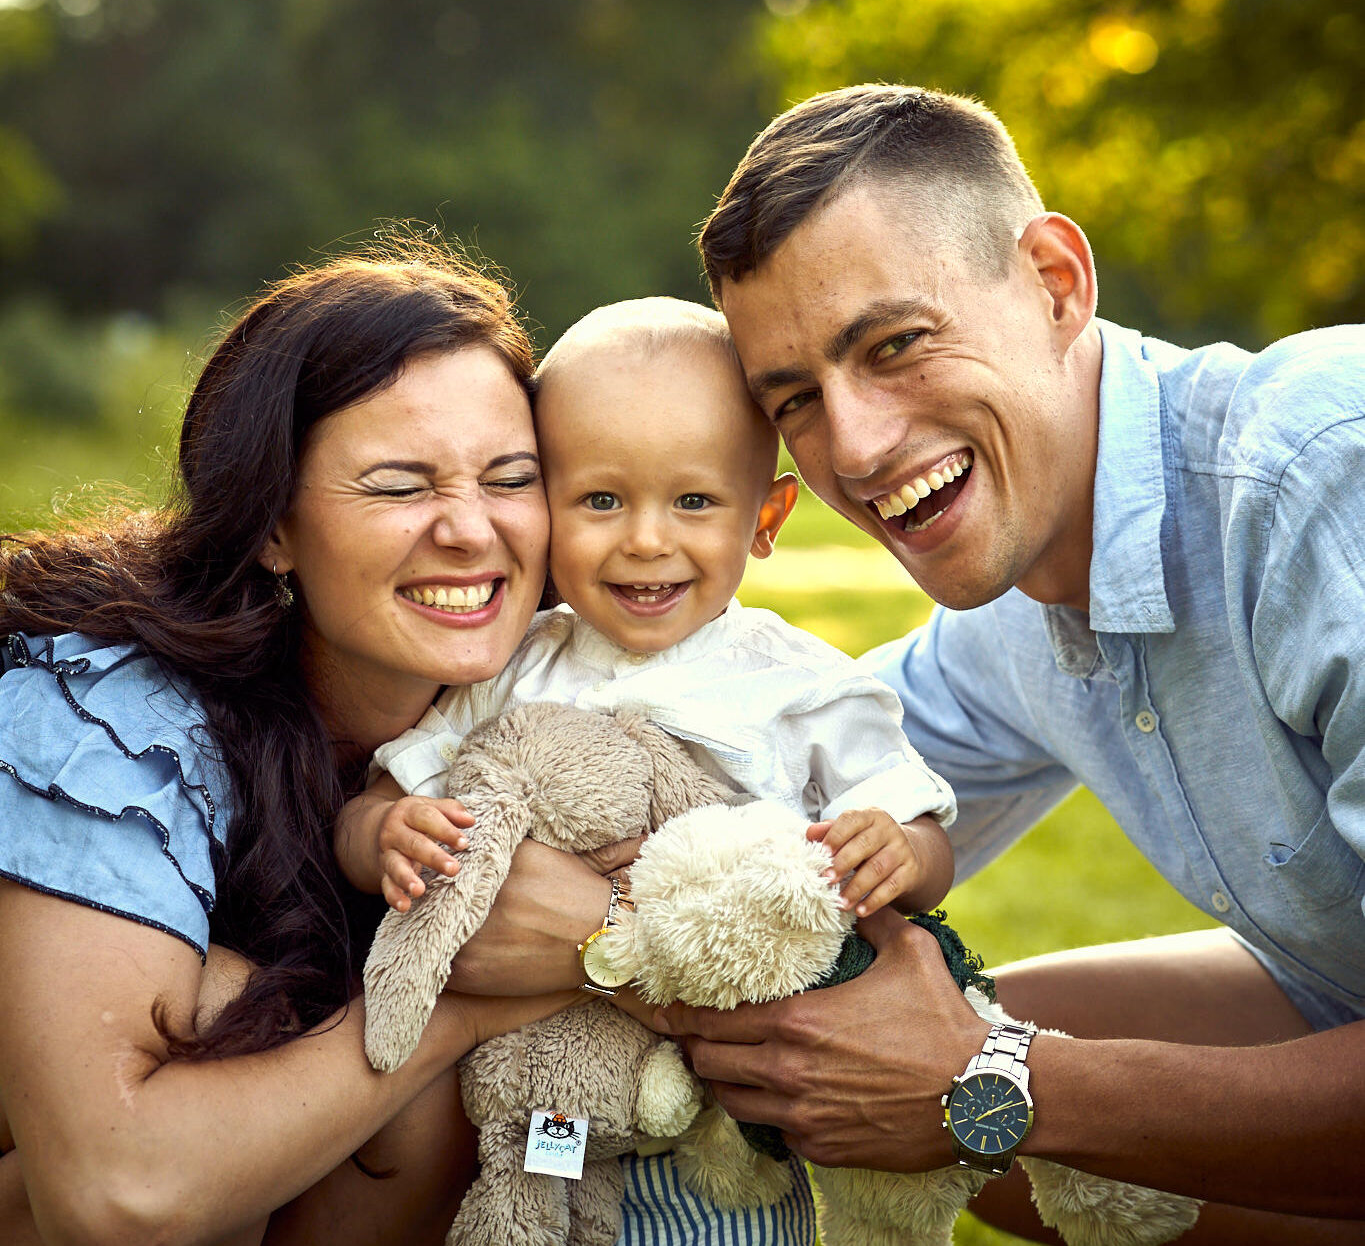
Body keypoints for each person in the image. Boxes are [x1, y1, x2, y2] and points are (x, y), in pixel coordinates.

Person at [652, 83, 1365, 1243]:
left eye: (894, 345)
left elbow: (990, 1080)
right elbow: (767, 791)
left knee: (979, 1078)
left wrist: (1002, 1080)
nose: (858, 446)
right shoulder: (1017, 596)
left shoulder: (1319, 478)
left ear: (1055, 283)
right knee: (872, 1056)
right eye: (798, 403)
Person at [333, 296, 959, 1244]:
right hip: (535, 1093)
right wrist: (383, 833)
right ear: (545, 507)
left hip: (724, 1117)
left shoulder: (802, 687)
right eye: (601, 499)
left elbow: (925, 847)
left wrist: (900, 851)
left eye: (694, 501)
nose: (645, 540)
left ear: (767, 515)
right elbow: (377, 800)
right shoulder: (516, 664)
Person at [0, 241, 585, 1245]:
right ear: (273, 527)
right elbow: (113, 1196)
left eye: (510, 477)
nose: (469, 529)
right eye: (401, 484)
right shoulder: (112, 721)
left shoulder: (564, 696)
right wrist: (460, 1003)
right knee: (236, 1017)